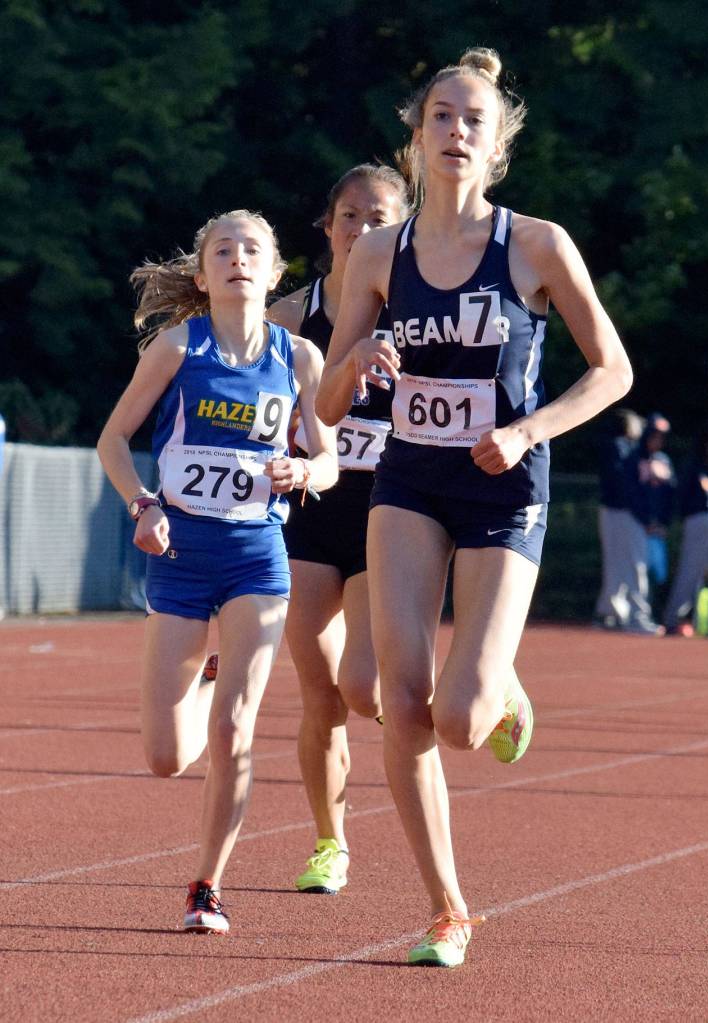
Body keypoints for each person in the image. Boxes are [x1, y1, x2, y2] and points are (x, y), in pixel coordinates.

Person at [316, 47, 632, 967]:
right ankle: (447, 907)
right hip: (410, 482)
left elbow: (612, 371)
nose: (457, 132)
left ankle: (497, 685)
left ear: (496, 149)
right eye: (441, 117)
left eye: (474, 122)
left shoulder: (535, 244)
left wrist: (530, 430)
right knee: (395, 703)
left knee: (460, 717)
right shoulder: (377, 253)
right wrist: (354, 365)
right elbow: (326, 406)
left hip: (501, 484)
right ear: (415, 139)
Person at [97, 209, 337, 933]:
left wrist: (304, 467)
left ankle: (207, 884)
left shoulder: (299, 358)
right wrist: (142, 502)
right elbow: (113, 439)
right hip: (179, 554)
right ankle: (203, 677)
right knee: (168, 755)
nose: (238, 258)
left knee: (237, 728)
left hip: (255, 554)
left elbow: (328, 457)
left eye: (252, 249)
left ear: (274, 272)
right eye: (222, 250)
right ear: (203, 275)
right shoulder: (177, 346)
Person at [266, 164, 409, 894]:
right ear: (327, 227)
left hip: (393, 516)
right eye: (349, 215)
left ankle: (453, 690)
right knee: (320, 692)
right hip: (308, 512)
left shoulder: (416, 312)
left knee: (366, 689)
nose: (360, 229)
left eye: (378, 216)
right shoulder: (289, 319)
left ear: (403, 226)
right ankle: (331, 843)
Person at [664, 414, 708, 636]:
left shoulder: (696, 459)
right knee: (697, 571)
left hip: (700, 519)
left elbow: (682, 494)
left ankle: (673, 619)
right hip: (702, 518)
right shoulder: (699, 461)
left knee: (690, 570)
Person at [593, 408, 646, 629]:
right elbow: (623, 482)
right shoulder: (618, 447)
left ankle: (609, 612)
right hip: (619, 511)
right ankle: (628, 614)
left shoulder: (622, 447)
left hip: (616, 510)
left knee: (617, 563)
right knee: (627, 563)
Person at [629, 412, 675, 622]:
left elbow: (671, 496)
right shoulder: (634, 458)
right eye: (655, 435)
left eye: (662, 436)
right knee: (637, 571)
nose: (659, 440)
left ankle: (657, 616)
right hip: (639, 525)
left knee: (659, 574)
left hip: (657, 529)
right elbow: (631, 494)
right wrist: (644, 521)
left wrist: (664, 523)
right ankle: (637, 614)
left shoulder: (664, 460)